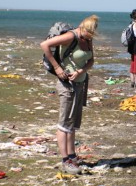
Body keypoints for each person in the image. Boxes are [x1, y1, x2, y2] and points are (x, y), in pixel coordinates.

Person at [40, 15, 99, 174]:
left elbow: (91, 60)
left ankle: (72, 156)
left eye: (92, 33)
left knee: (72, 123)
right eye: (89, 32)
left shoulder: (88, 39)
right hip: (66, 85)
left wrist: (82, 70)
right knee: (64, 123)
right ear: (83, 27)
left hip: (80, 84)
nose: (90, 35)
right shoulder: (70, 36)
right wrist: (58, 68)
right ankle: (65, 160)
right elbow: (44, 44)